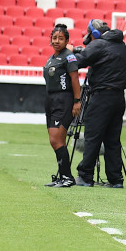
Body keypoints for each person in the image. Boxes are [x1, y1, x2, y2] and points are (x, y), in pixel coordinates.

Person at [71, 19, 126, 188]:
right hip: (118, 98)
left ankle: (85, 176)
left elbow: (78, 62)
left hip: (102, 97)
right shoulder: (120, 45)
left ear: (94, 33)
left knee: (93, 137)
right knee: (112, 140)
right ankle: (115, 179)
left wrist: (70, 52)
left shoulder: (100, 44)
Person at [42, 23, 81, 188]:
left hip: (63, 100)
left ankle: (67, 177)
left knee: (56, 139)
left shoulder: (68, 56)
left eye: (61, 38)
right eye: (54, 38)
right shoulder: (51, 58)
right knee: (55, 140)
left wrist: (77, 101)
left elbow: (75, 79)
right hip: (50, 100)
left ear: (67, 41)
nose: (57, 41)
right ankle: (62, 176)